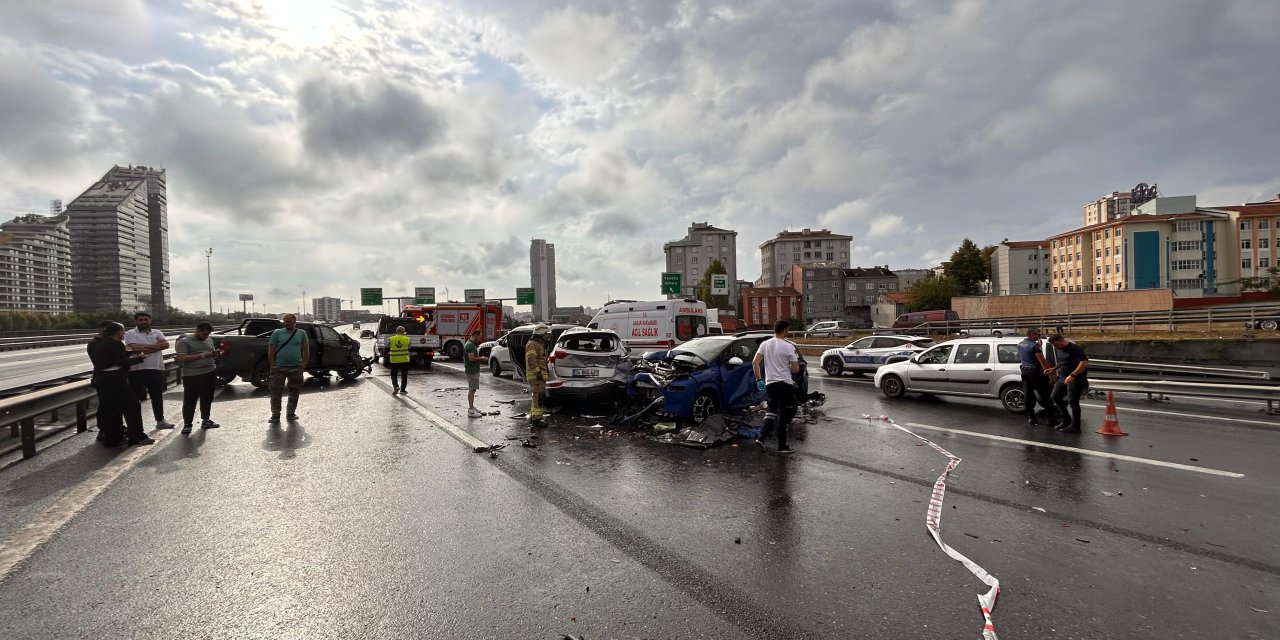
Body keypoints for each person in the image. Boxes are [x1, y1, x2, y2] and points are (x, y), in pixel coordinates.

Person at [88, 321, 154, 446]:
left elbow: (111, 358)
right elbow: (122, 362)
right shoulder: (116, 343)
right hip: (115, 380)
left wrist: (128, 354)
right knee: (133, 406)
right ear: (118, 332)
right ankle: (137, 436)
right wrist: (140, 358)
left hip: (102, 379)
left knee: (111, 410)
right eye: (123, 331)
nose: (124, 334)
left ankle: (112, 438)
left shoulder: (97, 344)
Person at [752, 320, 800, 454]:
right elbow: (795, 369)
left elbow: (755, 362)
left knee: (771, 410)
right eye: (787, 330)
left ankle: (761, 438)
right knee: (785, 413)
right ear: (785, 330)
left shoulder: (765, 344)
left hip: (770, 384)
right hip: (784, 384)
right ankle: (782, 446)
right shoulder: (788, 346)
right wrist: (788, 366)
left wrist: (758, 379)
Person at [124, 312, 174, 429]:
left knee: (157, 397)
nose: (143, 322)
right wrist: (155, 346)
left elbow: (166, 345)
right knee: (135, 399)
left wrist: (143, 347)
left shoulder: (157, 332)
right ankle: (134, 426)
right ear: (136, 321)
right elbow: (132, 348)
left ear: (149, 320)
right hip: (136, 370)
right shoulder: (130, 333)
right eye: (140, 320)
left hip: (155, 368)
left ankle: (160, 421)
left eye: (145, 320)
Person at [174, 322, 223, 434]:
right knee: (190, 400)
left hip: (210, 371)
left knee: (207, 398)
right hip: (192, 375)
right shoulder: (184, 341)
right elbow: (181, 358)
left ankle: (206, 420)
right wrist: (202, 355)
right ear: (197, 330)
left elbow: (210, 353)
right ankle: (187, 424)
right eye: (203, 334)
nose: (205, 336)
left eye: (207, 334)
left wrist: (215, 354)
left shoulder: (209, 340)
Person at [267, 314, 310, 423]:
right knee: (276, 393)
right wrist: (272, 365)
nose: (285, 323)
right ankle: (275, 415)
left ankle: (290, 413)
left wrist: (303, 364)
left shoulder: (301, 333)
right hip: (279, 368)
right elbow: (271, 349)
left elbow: (306, 350)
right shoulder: (277, 333)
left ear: (294, 321)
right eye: (284, 321)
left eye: (288, 321)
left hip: (296, 368)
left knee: (294, 393)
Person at [1017, 328, 1059, 427]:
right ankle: (1051, 419)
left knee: (1028, 394)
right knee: (1044, 395)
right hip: (1035, 372)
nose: (1039, 336)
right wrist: (1049, 373)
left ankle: (1031, 417)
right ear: (1031, 334)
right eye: (1037, 335)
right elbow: (1042, 360)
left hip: (1025, 371)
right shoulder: (1035, 346)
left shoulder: (1020, 344)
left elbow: (1021, 356)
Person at [1048, 334, 1090, 433]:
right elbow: (1062, 361)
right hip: (1062, 378)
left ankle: (1075, 426)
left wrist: (1072, 375)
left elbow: (1083, 363)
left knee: (1073, 402)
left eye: (1056, 344)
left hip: (1076, 379)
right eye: (1053, 345)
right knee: (1055, 396)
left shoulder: (1074, 348)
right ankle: (1066, 420)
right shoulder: (1059, 349)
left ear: (1061, 340)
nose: (1055, 347)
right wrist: (1054, 369)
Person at [525, 324, 551, 429]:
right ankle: (536, 420)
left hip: (539, 376)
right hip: (536, 376)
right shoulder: (532, 344)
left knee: (537, 397)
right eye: (545, 334)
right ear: (540, 333)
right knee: (538, 397)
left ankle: (534, 416)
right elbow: (531, 360)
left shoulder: (538, 344)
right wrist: (538, 373)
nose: (547, 336)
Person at [464, 329, 484, 417]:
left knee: (473, 389)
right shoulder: (469, 346)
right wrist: (481, 358)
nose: (480, 339)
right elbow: (471, 358)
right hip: (471, 371)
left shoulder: (471, 345)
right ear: (475, 335)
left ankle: (472, 407)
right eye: (479, 337)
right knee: (472, 390)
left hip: (473, 370)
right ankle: (471, 410)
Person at [387, 325, 411, 395]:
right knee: (404, 375)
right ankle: (403, 390)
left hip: (394, 360)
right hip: (405, 360)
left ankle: (396, 387)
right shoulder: (407, 339)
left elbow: (387, 346)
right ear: (404, 332)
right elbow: (409, 347)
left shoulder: (391, 339)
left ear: (396, 331)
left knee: (393, 374)